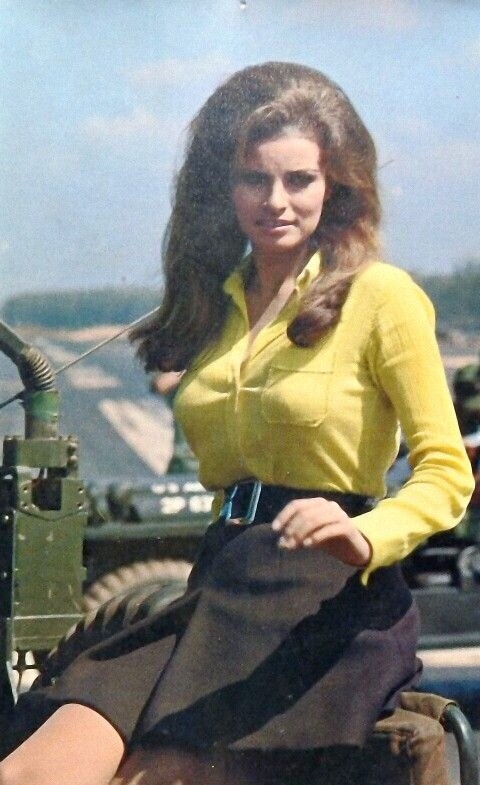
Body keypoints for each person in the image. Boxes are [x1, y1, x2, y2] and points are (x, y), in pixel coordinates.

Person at [0, 61, 474, 785]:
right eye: (255, 178)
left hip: (326, 600)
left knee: (153, 774)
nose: (276, 200)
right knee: (36, 769)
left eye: (299, 180)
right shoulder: (211, 306)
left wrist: (366, 533)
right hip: (220, 578)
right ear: (224, 187)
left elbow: (446, 470)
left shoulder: (381, 296)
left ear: (335, 185)